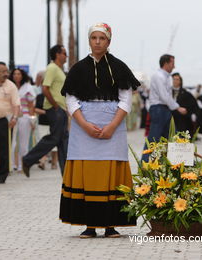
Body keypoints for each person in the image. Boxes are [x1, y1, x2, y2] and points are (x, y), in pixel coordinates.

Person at [59, 23, 140, 238]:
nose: (97, 41)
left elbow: (126, 100)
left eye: (101, 38)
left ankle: (111, 225)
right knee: (87, 174)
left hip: (113, 129)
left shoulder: (120, 67)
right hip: (82, 130)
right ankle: (90, 226)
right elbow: (70, 99)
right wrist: (84, 124)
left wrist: (112, 126)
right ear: (89, 40)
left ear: (109, 41)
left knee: (111, 173)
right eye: (93, 37)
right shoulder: (78, 68)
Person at [22, 44, 68, 177]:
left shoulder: (59, 70)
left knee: (63, 141)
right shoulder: (52, 68)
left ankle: (66, 174)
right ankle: (28, 159)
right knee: (55, 138)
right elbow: (45, 88)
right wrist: (55, 105)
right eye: (64, 53)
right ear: (57, 54)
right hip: (55, 110)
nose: (66, 56)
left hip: (61, 110)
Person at [142, 54, 186, 161]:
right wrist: (177, 107)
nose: (174, 66)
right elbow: (164, 95)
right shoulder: (159, 76)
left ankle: (180, 163)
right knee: (154, 138)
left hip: (164, 109)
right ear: (166, 63)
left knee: (173, 136)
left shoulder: (166, 77)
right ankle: (145, 164)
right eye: (172, 63)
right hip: (158, 109)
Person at [9, 68, 36, 172]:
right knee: (12, 142)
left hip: (24, 116)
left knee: (23, 143)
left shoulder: (28, 87)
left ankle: (22, 165)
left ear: (22, 75)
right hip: (11, 116)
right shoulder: (9, 86)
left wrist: (32, 119)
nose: (16, 76)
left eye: (19, 74)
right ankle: (11, 165)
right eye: (14, 74)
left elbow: (31, 105)